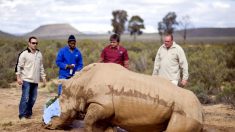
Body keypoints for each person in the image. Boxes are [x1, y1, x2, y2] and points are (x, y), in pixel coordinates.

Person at [15, 36, 47, 120]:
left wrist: (43, 77)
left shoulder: (39, 54)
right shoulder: (24, 53)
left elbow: (41, 67)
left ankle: (28, 114)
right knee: (25, 98)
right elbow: (19, 66)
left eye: (36, 43)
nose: (35, 44)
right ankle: (22, 115)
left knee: (33, 99)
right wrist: (18, 77)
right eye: (33, 43)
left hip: (35, 80)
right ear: (29, 43)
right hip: (26, 79)